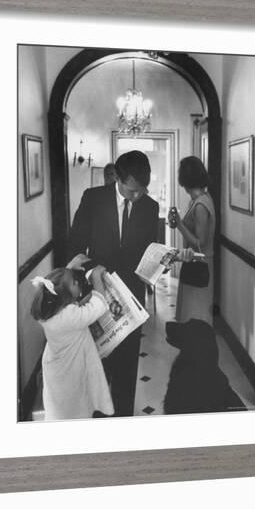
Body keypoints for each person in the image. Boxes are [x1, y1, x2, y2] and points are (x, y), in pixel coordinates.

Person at [68, 150, 159, 416]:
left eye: (142, 190)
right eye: (132, 191)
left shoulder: (150, 206)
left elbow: (148, 252)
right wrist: (92, 271)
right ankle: (98, 418)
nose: (137, 196)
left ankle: (122, 421)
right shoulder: (93, 199)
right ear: (118, 179)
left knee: (127, 366)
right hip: (96, 295)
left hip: (131, 299)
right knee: (98, 364)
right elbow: (73, 246)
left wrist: (161, 261)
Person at [30, 266, 114, 421]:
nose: (78, 282)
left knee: (61, 408)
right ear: (65, 295)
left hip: (57, 368)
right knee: (76, 407)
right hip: (71, 370)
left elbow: (77, 307)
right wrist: (96, 278)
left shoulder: (51, 313)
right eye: (75, 282)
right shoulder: (70, 316)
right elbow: (99, 305)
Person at [168, 156, 216, 325]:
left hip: (200, 264)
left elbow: (199, 242)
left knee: (195, 315)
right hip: (193, 261)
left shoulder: (201, 205)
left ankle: (195, 348)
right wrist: (178, 223)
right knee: (190, 313)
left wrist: (179, 224)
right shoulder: (198, 200)